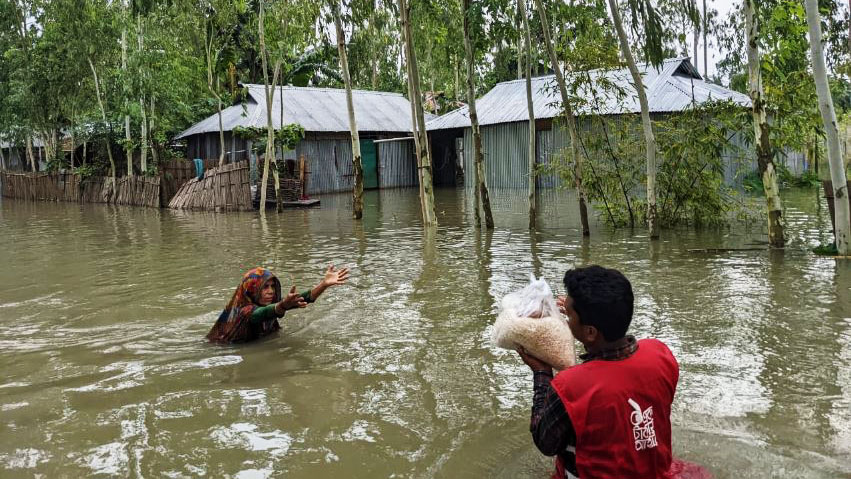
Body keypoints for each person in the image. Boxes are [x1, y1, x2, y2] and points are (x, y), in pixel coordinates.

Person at [517, 265, 697, 479]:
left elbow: (545, 442)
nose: (566, 316)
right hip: (657, 471)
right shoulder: (660, 353)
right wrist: (580, 316)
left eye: (570, 314)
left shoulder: (570, 386)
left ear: (591, 332)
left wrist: (541, 373)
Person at [207, 265, 349, 344]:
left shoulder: (272, 303)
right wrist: (283, 306)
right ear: (251, 290)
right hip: (225, 349)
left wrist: (324, 284)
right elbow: (264, 313)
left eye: (272, 286)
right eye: (265, 287)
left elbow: (305, 298)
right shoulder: (245, 312)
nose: (271, 291)